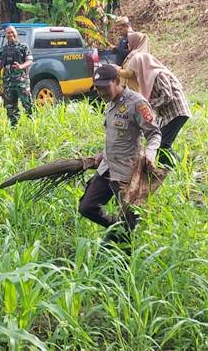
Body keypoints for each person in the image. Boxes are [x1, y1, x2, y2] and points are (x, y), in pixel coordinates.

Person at [79, 64, 160, 243]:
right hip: (107, 167)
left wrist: (150, 153)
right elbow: (115, 136)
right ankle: (118, 226)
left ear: (117, 81)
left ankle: (122, 244)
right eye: (98, 89)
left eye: (104, 88)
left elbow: (155, 134)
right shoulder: (109, 104)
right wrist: (101, 154)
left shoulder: (137, 103)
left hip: (126, 173)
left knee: (129, 219)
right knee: (87, 207)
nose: (101, 93)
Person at [119, 32, 191, 168]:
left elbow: (167, 96)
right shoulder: (150, 77)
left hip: (177, 112)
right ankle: (176, 167)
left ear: (142, 66)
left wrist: (150, 104)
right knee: (161, 142)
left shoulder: (159, 74)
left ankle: (177, 168)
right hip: (170, 114)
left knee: (163, 144)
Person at [0, 26, 33, 126]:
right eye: (8, 33)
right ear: (5, 35)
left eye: (12, 32)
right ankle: (14, 127)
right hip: (8, 84)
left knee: (27, 104)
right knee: (10, 107)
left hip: (22, 82)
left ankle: (32, 125)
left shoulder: (23, 47)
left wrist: (21, 66)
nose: (10, 34)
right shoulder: (3, 49)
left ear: (16, 33)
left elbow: (29, 61)